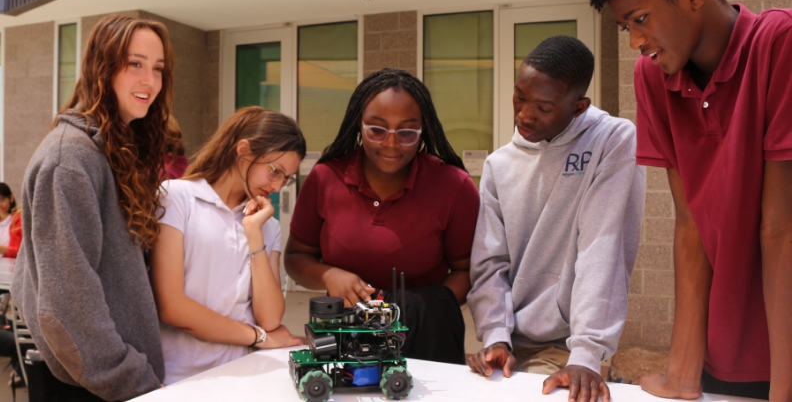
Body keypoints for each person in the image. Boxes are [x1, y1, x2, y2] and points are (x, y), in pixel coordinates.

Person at [587, 0, 792, 401]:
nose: (635, 41)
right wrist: (682, 374)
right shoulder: (652, 79)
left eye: (640, 19)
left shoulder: (777, 42)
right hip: (725, 352)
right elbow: (689, 227)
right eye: (625, 28)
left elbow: (780, 228)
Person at [467, 36, 645, 402]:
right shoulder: (498, 165)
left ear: (579, 106)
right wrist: (496, 336)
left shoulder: (611, 139)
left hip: (567, 346)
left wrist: (586, 355)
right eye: (520, 96)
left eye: (544, 107)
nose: (524, 115)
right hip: (509, 342)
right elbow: (489, 264)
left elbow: (603, 247)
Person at [11, 14, 175, 400]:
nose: (149, 81)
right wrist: (132, 380)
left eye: (158, 68)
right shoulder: (69, 160)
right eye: (134, 64)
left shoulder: (109, 151)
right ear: (102, 68)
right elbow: (65, 304)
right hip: (95, 387)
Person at [284, 67, 479, 364]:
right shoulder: (325, 178)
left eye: (406, 132)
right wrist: (329, 274)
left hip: (425, 336)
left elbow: (467, 270)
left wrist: (418, 307)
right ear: (358, 126)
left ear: (423, 130)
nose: (390, 144)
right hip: (344, 332)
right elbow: (296, 257)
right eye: (377, 130)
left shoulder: (454, 185)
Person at [151, 107, 304, 384]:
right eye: (274, 171)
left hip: (244, 375)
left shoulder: (267, 226)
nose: (279, 185)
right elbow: (173, 308)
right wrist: (258, 337)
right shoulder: (176, 198)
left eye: (287, 177)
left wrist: (254, 234)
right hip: (179, 379)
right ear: (243, 150)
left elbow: (269, 318)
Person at [0, 183, 21, 258]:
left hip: (12, 267)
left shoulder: (19, 221)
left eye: (2, 199)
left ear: (11, 198)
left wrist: (4, 250)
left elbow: (22, 251)